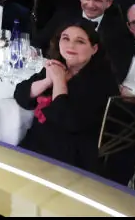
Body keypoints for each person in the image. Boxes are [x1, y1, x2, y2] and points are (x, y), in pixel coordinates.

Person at [14, 21, 118, 173]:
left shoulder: (102, 81)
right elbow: (21, 95)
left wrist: (58, 82)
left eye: (80, 41)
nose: (71, 46)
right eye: (65, 38)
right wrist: (47, 81)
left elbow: (67, 120)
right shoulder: (60, 66)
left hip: (71, 157)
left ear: (94, 48)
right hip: (38, 144)